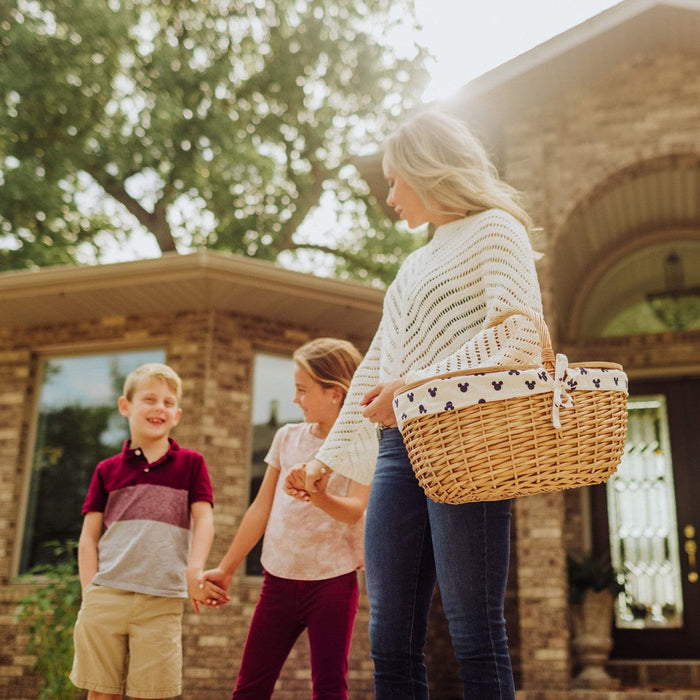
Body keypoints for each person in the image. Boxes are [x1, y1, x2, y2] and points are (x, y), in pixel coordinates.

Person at [287, 109, 544, 699]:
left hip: (468, 440)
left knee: (475, 633)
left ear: (430, 172)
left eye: (396, 179)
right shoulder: (413, 264)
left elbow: (519, 338)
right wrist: (325, 461)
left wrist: (417, 386)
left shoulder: (496, 229)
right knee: (390, 639)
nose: (391, 195)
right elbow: (377, 366)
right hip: (399, 450)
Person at [199, 338, 370, 700]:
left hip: (333, 584)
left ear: (335, 393)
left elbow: (355, 510)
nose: (295, 399)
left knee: (328, 690)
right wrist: (226, 569)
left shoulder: (361, 442)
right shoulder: (286, 437)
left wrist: (319, 497)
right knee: (248, 690)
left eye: (302, 390)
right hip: (277, 583)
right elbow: (260, 510)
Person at [69, 362, 227, 700]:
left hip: (162, 600)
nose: (159, 408)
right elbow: (88, 537)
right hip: (106, 595)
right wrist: (89, 593)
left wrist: (194, 571)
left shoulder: (191, 464)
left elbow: (205, 521)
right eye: (150, 399)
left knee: (152, 694)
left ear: (178, 414)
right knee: (101, 693)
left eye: (168, 402)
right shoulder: (106, 470)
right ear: (125, 406)